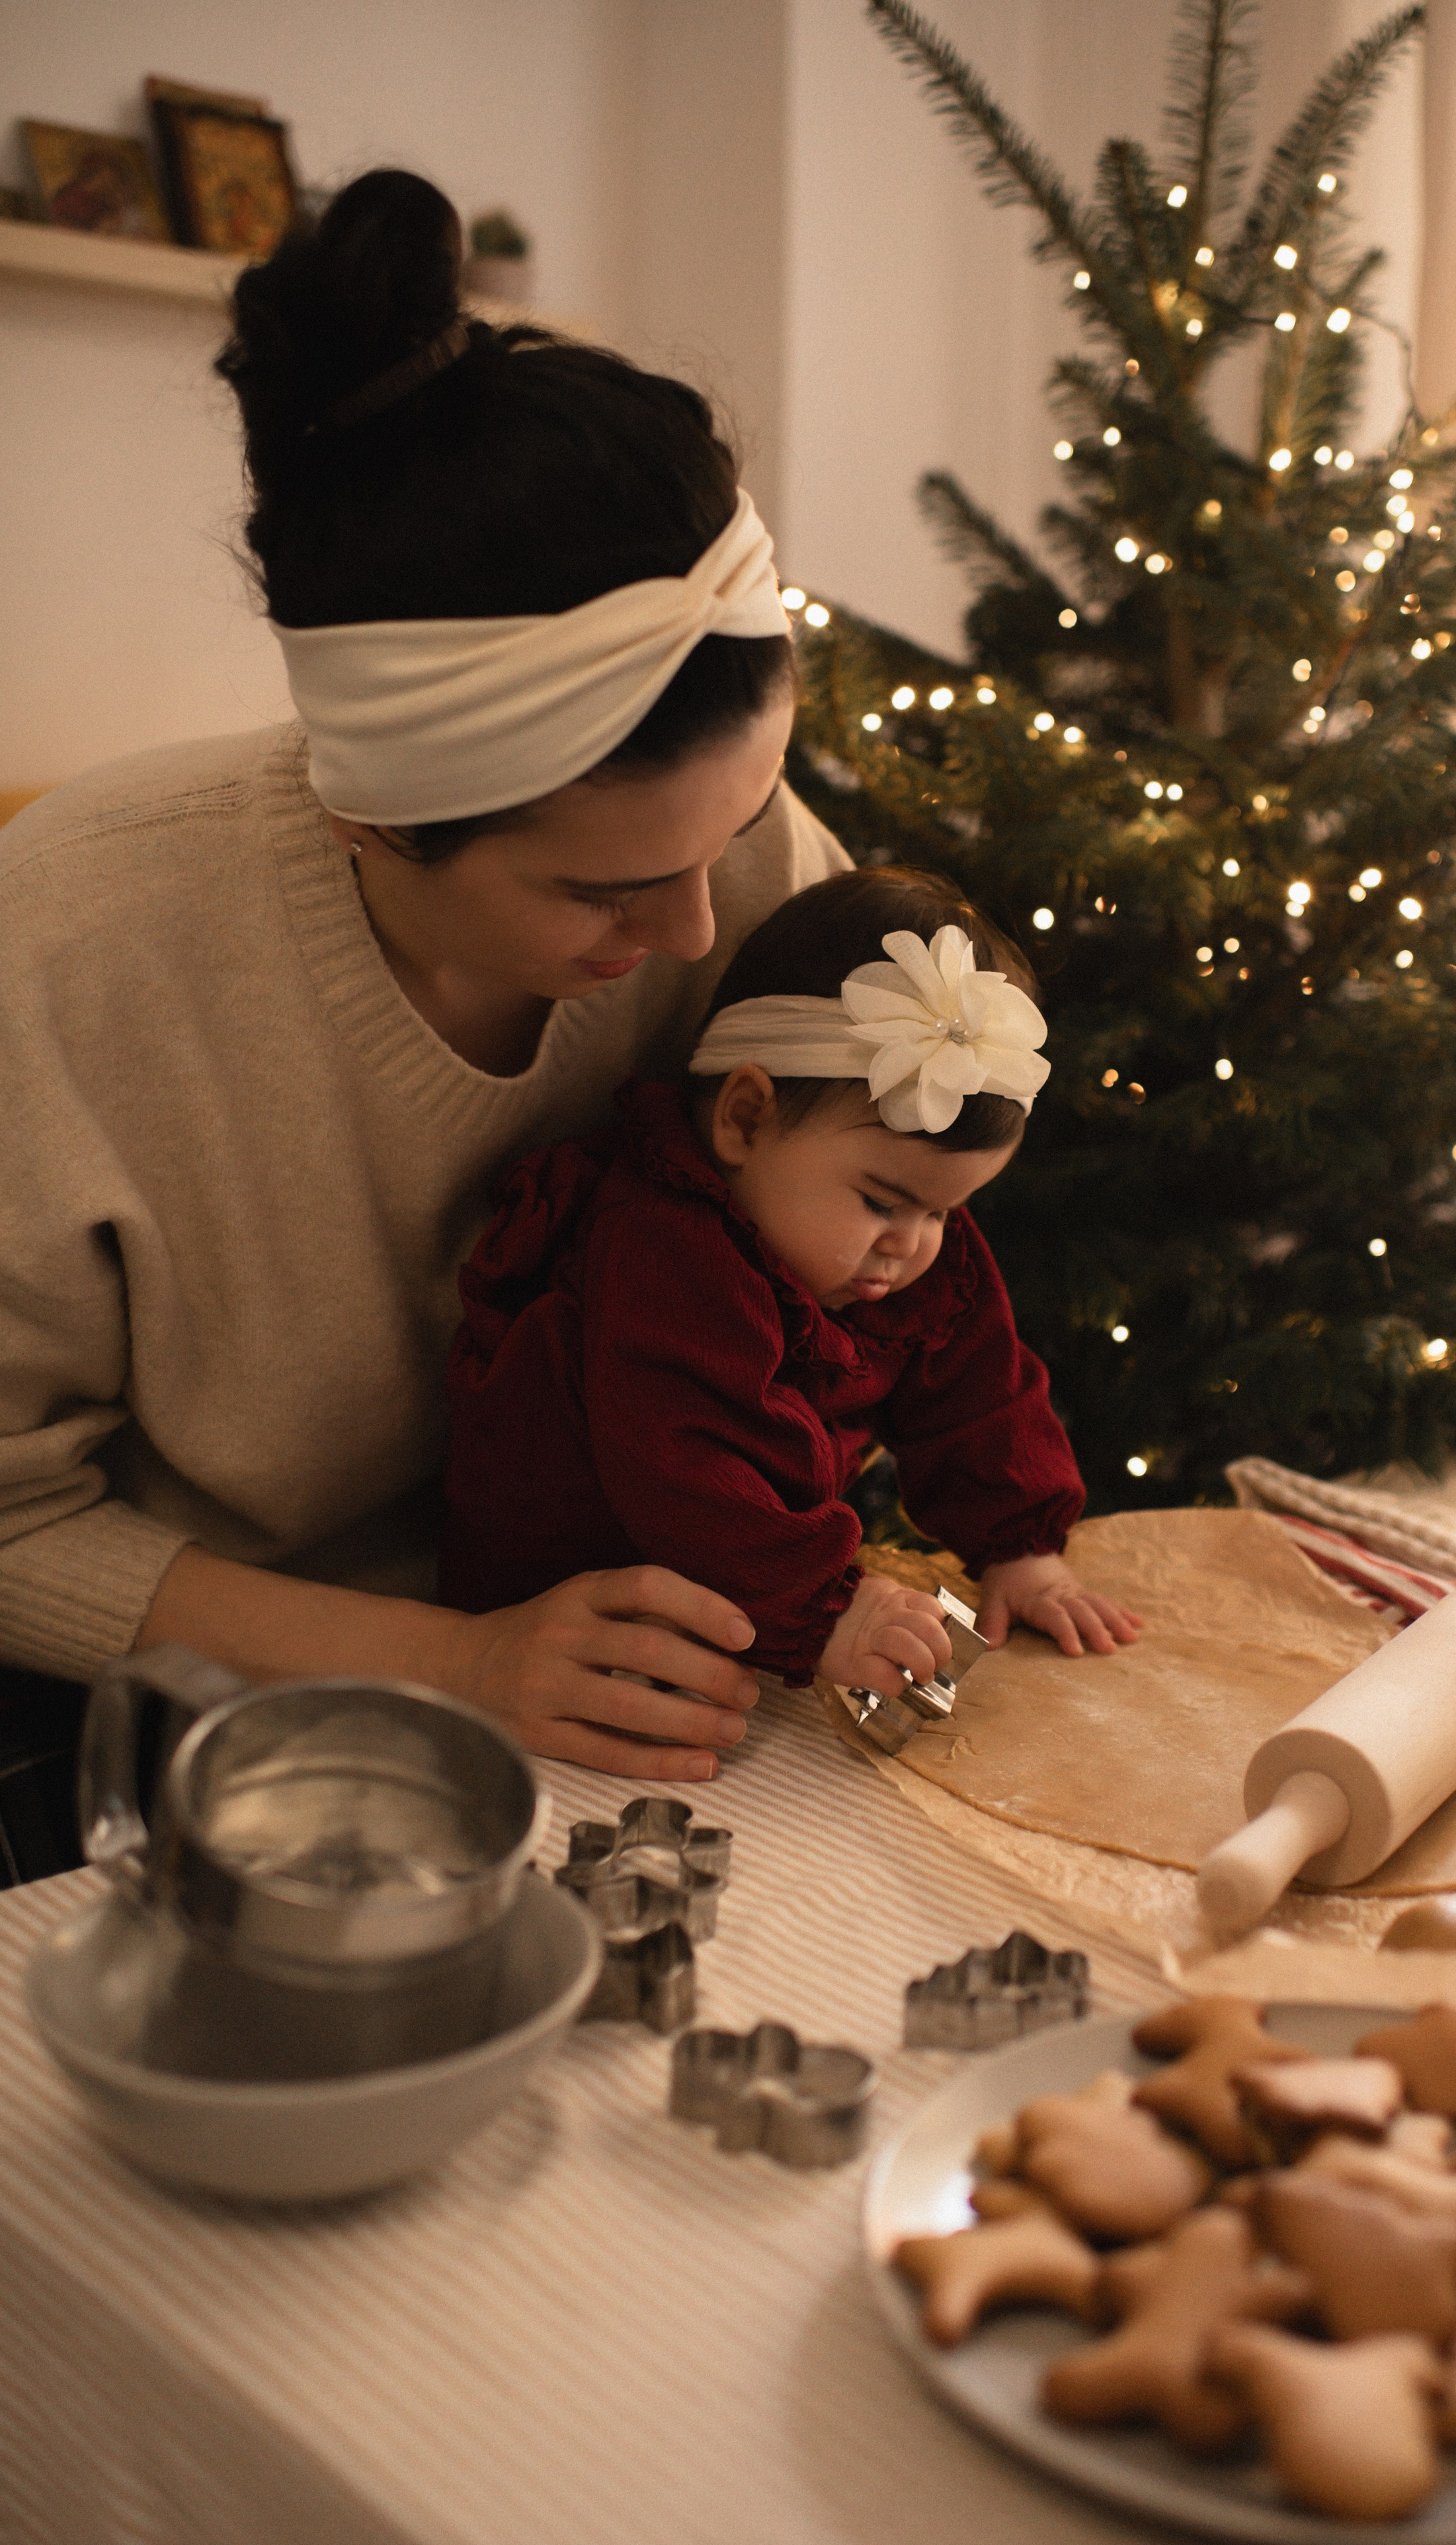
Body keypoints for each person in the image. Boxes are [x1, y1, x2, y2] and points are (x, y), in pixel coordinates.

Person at [0, 167, 852, 1870]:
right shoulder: (79, 949)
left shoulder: (747, 876)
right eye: (604, 890)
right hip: (210, 1707)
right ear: (371, 819)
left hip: (645, 1635)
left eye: (738, 822)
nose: (698, 936)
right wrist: (454, 1661)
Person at [441, 869, 1139, 1697]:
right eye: (881, 1200)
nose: (912, 1244)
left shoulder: (900, 1247)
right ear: (745, 1118)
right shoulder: (660, 1245)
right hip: (572, 1614)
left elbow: (979, 1391)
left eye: (944, 1210)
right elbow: (692, 1465)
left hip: (763, 1599)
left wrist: (1020, 1546)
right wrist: (827, 1605)